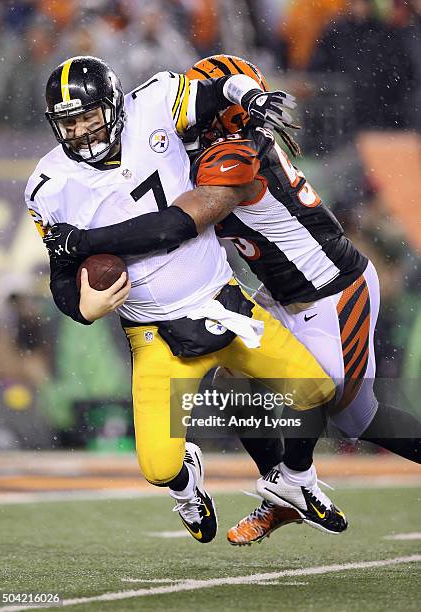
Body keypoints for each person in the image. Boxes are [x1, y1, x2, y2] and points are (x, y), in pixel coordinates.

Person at [45, 54, 421, 545]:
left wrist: (82, 242)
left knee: (346, 408)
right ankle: (282, 484)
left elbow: (179, 223)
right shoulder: (194, 148)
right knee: (235, 387)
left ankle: (294, 484)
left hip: (331, 287)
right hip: (279, 289)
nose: (188, 110)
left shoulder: (235, 155)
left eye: (201, 99)